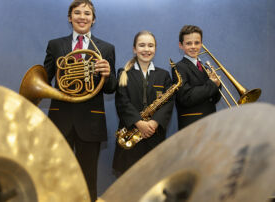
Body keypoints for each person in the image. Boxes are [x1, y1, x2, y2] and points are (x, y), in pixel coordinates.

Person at [43, 0, 116, 201]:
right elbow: (44, 79)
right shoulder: (56, 45)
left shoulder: (106, 48)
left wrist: (108, 74)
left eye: (87, 14)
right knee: (58, 175)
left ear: (93, 20)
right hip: (61, 117)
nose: (82, 17)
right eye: (77, 13)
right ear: (70, 17)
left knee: (88, 177)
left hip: (91, 120)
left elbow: (110, 89)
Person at [112, 31, 174, 176]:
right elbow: (122, 101)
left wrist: (155, 123)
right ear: (134, 49)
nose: (146, 49)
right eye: (142, 45)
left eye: (150, 46)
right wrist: (139, 123)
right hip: (130, 135)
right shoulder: (123, 73)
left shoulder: (164, 75)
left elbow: (168, 102)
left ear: (155, 49)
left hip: (154, 135)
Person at [172, 25, 221, 130]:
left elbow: (213, 99)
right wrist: (212, 84)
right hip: (192, 125)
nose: (193, 46)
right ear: (181, 45)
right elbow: (185, 97)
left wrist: (218, 85)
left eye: (197, 43)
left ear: (201, 44)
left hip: (210, 122)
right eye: (189, 43)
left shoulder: (204, 67)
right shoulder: (178, 67)